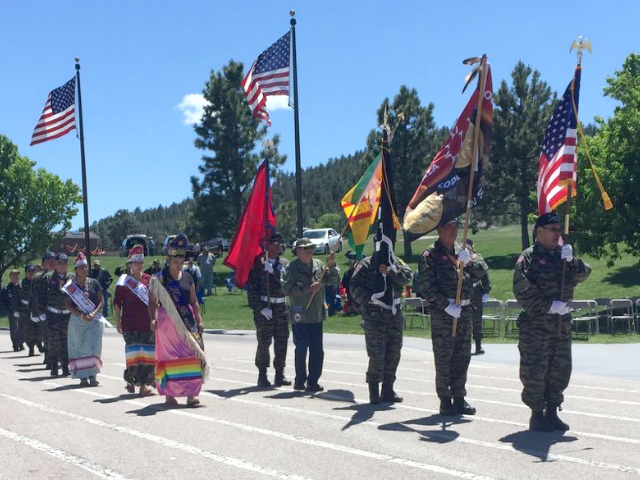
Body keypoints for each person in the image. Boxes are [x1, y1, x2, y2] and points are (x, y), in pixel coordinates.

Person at [513, 212, 591, 432]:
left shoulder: (562, 255)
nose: (558, 234)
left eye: (559, 230)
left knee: (560, 369)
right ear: (539, 232)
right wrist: (549, 305)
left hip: (560, 325)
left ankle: (553, 411)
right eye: (553, 230)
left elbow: (584, 273)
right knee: (535, 370)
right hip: (536, 326)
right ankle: (537, 414)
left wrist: (572, 261)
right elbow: (521, 290)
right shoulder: (528, 257)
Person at [416, 219, 488, 416]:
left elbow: (483, 270)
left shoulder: (464, 250)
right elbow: (426, 286)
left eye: (456, 227)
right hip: (444, 314)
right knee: (444, 357)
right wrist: (445, 306)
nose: (453, 231)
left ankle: (459, 397)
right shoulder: (430, 255)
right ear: (439, 229)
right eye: (449, 227)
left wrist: (469, 262)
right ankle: (445, 399)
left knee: (462, 357)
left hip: (464, 312)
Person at [148, 234, 209, 406]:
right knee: (170, 358)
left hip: (187, 322)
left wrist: (199, 320)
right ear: (168, 257)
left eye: (181, 258)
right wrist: (152, 319)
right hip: (167, 325)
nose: (178, 262)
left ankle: (191, 394)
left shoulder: (189, 277)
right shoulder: (159, 278)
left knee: (192, 354)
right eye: (175, 258)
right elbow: (152, 302)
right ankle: (170, 393)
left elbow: (194, 301)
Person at [349, 253, 412, 404]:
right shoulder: (365, 264)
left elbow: (407, 277)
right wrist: (370, 298)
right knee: (377, 353)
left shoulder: (395, 262)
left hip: (394, 314)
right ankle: (374, 391)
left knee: (394, 352)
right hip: (374, 314)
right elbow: (353, 286)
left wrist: (391, 271)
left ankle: (388, 389)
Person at [283, 237, 340, 393]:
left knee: (317, 350)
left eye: (311, 248)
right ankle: (300, 380)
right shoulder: (291, 268)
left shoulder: (319, 264)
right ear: (298, 251)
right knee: (301, 348)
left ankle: (313, 381)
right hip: (300, 313)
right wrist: (308, 289)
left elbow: (333, 280)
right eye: (306, 248)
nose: (310, 250)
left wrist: (332, 265)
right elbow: (286, 289)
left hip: (316, 313)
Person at [247, 232, 290, 387]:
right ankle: (262, 375)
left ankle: (280, 374)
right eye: (275, 242)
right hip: (266, 308)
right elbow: (252, 292)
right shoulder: (258, 264)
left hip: (282, 308)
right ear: (268, 244)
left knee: (282, 342)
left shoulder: (285, 264)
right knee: (264, 343)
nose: (278, 245)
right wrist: (261, 309)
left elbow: (288, 284)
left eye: (281, 243)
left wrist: (275, 272)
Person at [114, 244, 154, 395]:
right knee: (133, 354)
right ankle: (131, 382)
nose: (140, 265)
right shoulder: (123, 281)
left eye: (141, 262)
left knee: (147, 355)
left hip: (147, 323)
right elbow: (117, 303)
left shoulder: (148, 280)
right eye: (137, 262)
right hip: (130, 323)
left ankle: (144, 385)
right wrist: (118, 321)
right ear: (130, 264)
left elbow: (153, 301)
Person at [64, 252, 104, 387]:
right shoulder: (71, 286)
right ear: (76, 270)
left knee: (93, 348)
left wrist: (93, 313)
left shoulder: (94, 283)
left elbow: (101, 301)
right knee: (79, 348)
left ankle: (93, 375)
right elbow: (68, 304)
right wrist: (81, 315)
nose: (85, 270)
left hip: (94, 320)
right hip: (77, 320)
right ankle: (82, 377)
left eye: (86, 267)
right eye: (82, 268)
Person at [39, 253, 74, 377]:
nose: (62, 265)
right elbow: (41, 297)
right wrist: (41, 313)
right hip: (52, 314)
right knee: (54, 341)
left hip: (67, 314)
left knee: (66, 341)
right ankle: (54, 365)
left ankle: (65, 367)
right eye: (60, 263)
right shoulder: (48, 278)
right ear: (56, 264)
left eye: (65, 263)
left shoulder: (72, 277)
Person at [30, 251, 56, 367]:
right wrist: (36, 312)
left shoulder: (62, 275)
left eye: (53, 260)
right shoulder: (38, 277)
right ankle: (49, 359)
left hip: (60, 311)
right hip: (44, 312)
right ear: (43, 262)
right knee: (48, 336)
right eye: (48, 260)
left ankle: (60, 358)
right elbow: (34, 296)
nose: (51, 263)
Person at [467, 239, 492, 355]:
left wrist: (486, 290)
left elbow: (483, 272)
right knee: (463, 321)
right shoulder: (456, 257)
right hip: (463, 292)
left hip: (475, 292)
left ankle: (478, 345)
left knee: (477, 320)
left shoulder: (476, 257)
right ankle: (464, 346)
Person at [15, 265, 43, 356]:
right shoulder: (20, 284)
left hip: (37, 309)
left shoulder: (39, 282)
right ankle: (31, 348)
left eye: (32, 271)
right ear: (25, 272)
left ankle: (39, 344)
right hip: (25, 310)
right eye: (29, 271)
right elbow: (15, 298)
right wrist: (16, 310)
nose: (31, 273)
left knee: (39, 328)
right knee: (28, 331)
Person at [4, 269, 23, 352]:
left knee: (22, 328)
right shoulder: (6, 288)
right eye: (14, 275)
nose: (16, 276)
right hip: (12, 311)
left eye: (17, 275)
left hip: (22, 310)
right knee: (14, 328)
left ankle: (21, 343)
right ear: (10, 276)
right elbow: (3, 301)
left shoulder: (21, 286)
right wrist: (8, 309)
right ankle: (16, 345)